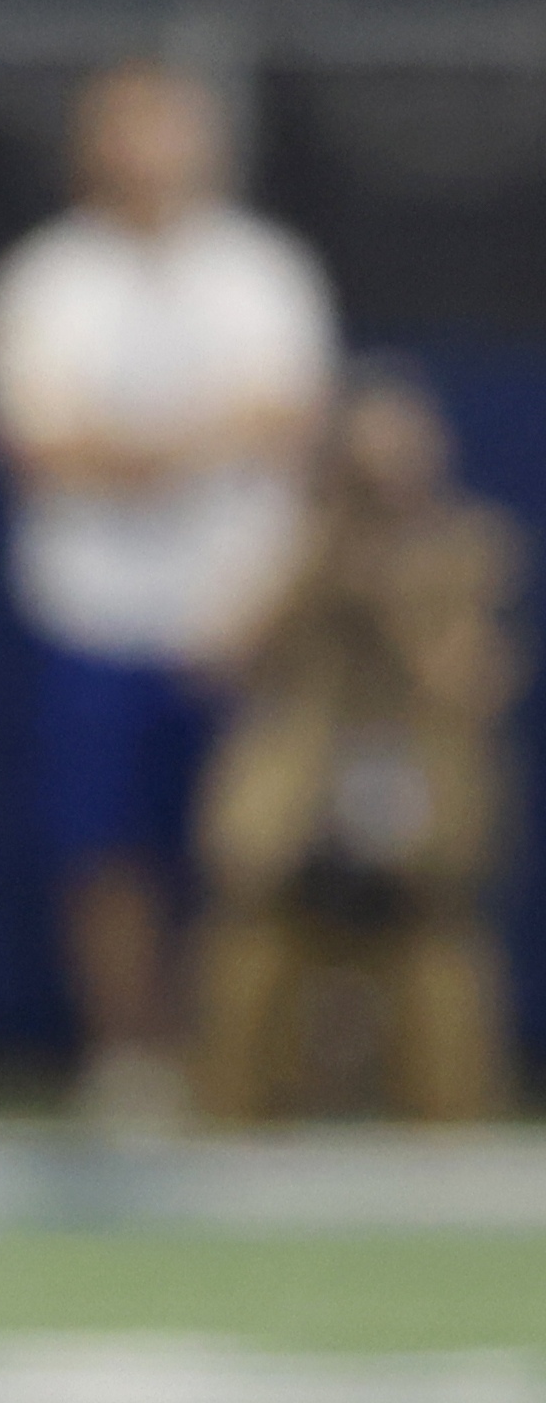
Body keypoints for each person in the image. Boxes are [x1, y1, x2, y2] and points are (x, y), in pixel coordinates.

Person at [0, 60, 335, 1137]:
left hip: (240, 611)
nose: (147, 158)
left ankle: (249, 1060)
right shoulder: (45, 281)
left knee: (255, 847)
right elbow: (38, 445)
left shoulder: (263, 273)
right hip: (93, 610)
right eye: (125, 135)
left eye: (165, 133)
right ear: (91, 150)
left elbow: (292, 427)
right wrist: (201, 438)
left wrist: (133, 453)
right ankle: (128, 1059)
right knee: (104, 847)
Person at [191, 362, 520, 1129]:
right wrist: (316, 565)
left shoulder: (467, 550)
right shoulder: (288, 547)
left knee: (441, 964)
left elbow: (474, 686)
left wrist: (399, 599)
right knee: (250, 950)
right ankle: (232, 1117)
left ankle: (450, 1127)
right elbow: (220, 661)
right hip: (304, 795)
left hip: (417, 797)